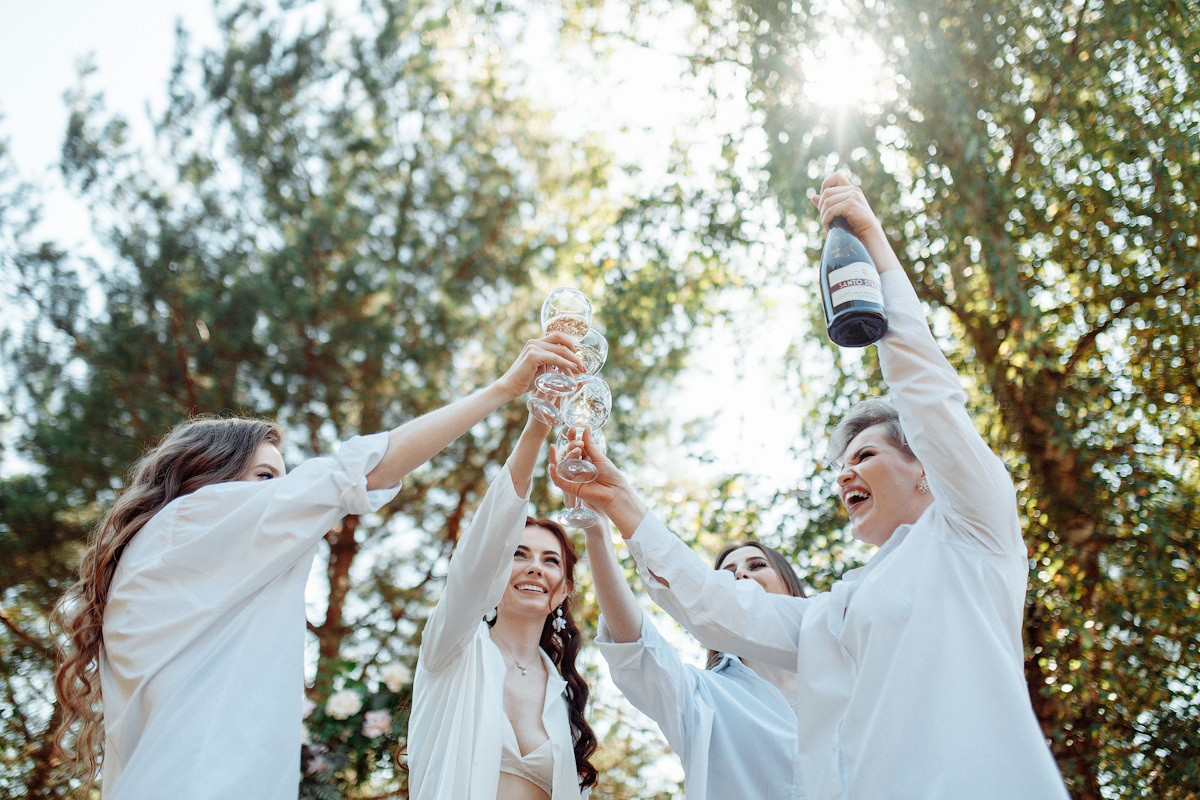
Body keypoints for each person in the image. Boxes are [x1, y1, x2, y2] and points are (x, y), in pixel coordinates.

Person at [554, 173, 1071, 799]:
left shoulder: (973, 533)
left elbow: (929, 397)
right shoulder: (834, 612)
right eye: (840, 464)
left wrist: (872, 241)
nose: (845, 473)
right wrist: (622, 503)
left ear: (925, 469)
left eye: (866, 454)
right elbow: (716, 608)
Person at [52, 334, 584, 800]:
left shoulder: (172, 566)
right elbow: (363, 473)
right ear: (205, 475)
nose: (280, 496)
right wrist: (504, 389)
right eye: (265, 478)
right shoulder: (193, 520)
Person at [409, 410, 598, 800]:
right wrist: (540, 421)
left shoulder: (565, 696)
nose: (534, 568)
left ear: (563, 590)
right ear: (495, 571)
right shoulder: (456, 646)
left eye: (551, 561)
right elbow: (478, 552)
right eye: (519, 554)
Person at [570, 503, 801, 800]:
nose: (740, 575)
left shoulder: (849, 672)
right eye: (726, 573)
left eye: (757, 565)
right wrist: (597, 533)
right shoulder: (701, 697)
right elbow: (634, 644)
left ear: (791, 589)